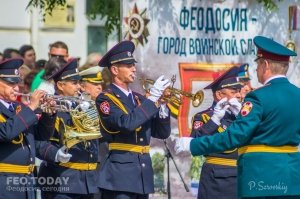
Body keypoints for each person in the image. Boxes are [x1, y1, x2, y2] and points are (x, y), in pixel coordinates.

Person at [175, 36, 300, 199]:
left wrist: (194, 144)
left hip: (259, 179)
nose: (256, 69)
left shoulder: (258, 97)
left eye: (258, 63)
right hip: (291, 178)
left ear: (266, 65)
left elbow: (234, 136)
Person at [96, 40, 171, 199]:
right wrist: (152, 100)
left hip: (142, 174)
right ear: (115, 70)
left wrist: (163, 106)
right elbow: (127, 123)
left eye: (133, 64)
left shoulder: (138, 99)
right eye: (129, 65)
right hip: (120, 177)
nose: (134, 68)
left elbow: (161, 132)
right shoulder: (106, 99)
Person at [37, 58, 100, 199]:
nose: (79, 87)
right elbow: (39, 142)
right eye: (74, 83)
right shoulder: (47, 106)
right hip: (61, 180)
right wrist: (55, 154)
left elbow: (95, 136)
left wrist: (90, 112)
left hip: (86, 182)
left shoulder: (83, 105)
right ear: (60, 85)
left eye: (79, 82)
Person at [0, 58, 56, 199]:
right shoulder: (26, 109)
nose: (16, 88)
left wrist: (49, 114)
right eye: (10, 84)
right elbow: (6, 132)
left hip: (26, 182)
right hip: (4, 183)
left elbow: (41, 136)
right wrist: (31, 107)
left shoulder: (20, 109)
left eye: (17, 83)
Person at [190, 66, 244, 199]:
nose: (239, 95)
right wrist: (214, 121)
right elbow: (194, 143)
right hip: (216, 180)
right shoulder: (204, 117)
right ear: (219, 95)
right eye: (234, 91)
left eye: (239, 91)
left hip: (242, 176)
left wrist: (242, 119)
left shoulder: (242, 115)